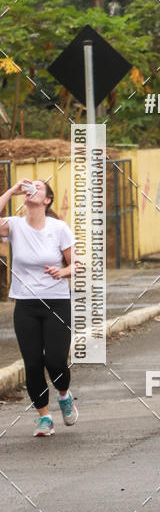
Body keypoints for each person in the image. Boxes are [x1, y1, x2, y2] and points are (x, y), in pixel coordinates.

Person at [0, 178, 78, 436]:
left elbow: (78, 264)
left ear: (47, 200)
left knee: (55, 361)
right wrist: (11, 190)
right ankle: (44, 417)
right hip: (25, 304)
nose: (32, 188)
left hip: (56, 302)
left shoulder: (59, 228)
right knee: (32, 364)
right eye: (28, 186)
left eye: (39, 187)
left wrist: (63, 271)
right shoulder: (14, 225)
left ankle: (64, 396)